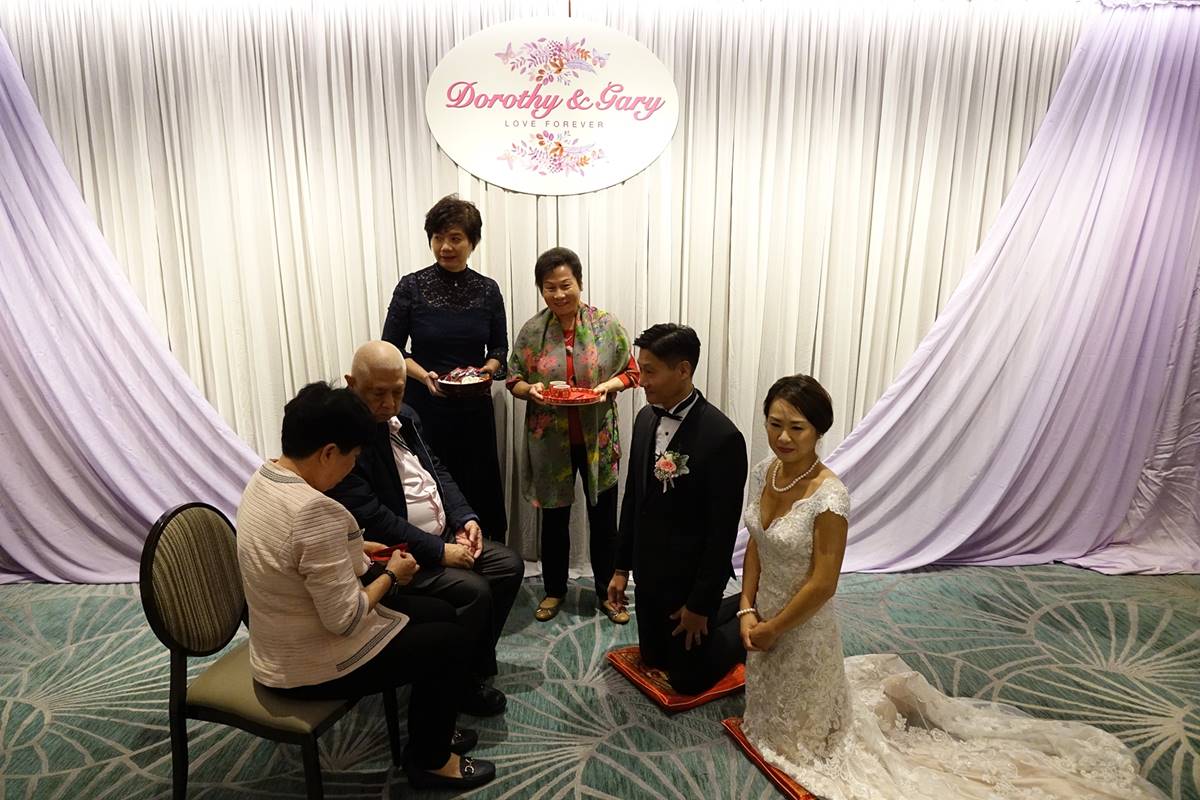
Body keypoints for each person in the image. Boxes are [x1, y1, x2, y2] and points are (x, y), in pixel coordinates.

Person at [738, 374, 1166, 800]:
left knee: (806, 745)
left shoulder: (830, 496)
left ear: (818, 431)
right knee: (765, 716)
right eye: (775, 424)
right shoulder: (764, 473)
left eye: (797, 427)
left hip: (803, 626)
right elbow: (757, 541)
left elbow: (824, 584)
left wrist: (774, 628)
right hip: (762, 615)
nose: (783, 437)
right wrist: (746, 607)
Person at [236, 382, 495, 790]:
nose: (352, 467)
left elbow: (295, 554)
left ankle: (432, 730)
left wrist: (355, 546)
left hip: (280, 638)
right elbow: (346, 618)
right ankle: (430, 762)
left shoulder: (265, 478)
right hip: (306, 664)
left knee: (441, 612)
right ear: (328, 453)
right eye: (352, 457)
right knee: (449, 642)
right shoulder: (313, 510)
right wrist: (391, 575)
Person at [327, 341, 524, 718]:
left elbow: (437, 472)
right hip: (394, 556)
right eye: (378, 394)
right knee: (475, 591)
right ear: (352, 384)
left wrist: (465, 519)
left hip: (440, 536)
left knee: (508, 565)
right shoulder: (346, 439)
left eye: (397, 392)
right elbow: (374, 518)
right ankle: (456, 684)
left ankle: (467, 669)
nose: (389, 403)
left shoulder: (407, 417)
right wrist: (439, 551)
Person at [606, 324, 749, 695]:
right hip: (650, 574)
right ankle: (734, 606)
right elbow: (633, 499)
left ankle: (750, 614)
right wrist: (621, 568)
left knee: (686, 680)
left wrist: (700, 605)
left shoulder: (723, 438)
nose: (641, 381)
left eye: (650, 371)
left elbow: (722, 532)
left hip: (690, 579)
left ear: (683, 370)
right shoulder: (645, 419)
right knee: (653, 658)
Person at [507, 247, 640, 623]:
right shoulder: (533, 331)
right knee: (554, 521)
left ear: (579, 283)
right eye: (549, 287)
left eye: (566, 285)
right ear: (541, 289)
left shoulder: (605, 325)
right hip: (549, 443)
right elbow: (514, 379)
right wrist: (531, 390)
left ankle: (607, 592)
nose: (559, 294)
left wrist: (607, 386)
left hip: (598, 439)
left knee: (604, 520)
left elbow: (632, 372)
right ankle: (554, 590)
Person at [382, 194, 508, 542]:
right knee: (431, 485)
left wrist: (485, 372)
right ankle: (435, 554)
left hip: (473, 409)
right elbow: (392, 348)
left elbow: (499, 349)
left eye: (455, 238)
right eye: (438, 238)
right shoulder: (411, 286)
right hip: (426, 407)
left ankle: (486, 553)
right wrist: (425, 376)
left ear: (472, 242)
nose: (445, 247)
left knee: (478, 484)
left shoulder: (488, 290)